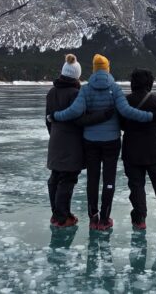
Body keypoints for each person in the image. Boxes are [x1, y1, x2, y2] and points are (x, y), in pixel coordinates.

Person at [48, 54, 156, 231]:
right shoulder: (115, 88)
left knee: (93, 179)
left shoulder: (86, 90)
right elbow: (128, 112)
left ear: (94, 69)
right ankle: (104, 219)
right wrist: (153, 117)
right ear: (108, 68)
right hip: (111, 141)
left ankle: (92, 218)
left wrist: (55, 116)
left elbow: (73, 112)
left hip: (90, 141)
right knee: (109, 180)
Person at [45, 54, 115, 227]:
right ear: (77, 75)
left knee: (55, 177)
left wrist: (53, 134)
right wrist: (103, 116)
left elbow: (47, 119)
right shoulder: (76, 93)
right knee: (67, 179)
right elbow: (80, 119)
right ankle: (62, 217)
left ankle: (57, 214)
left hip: (55, 140)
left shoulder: (52, 92)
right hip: (71, 143)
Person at [120, 68, 156, 230]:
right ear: (150, 84)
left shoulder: (125, 102)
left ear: (133, 83)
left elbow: (121, 124)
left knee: (136, 186)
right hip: (154, 151)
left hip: (131, 151)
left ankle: (139, 219)